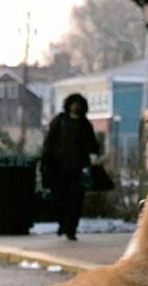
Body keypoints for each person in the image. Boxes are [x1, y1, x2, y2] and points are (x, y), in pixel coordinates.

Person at [40, 93, 100, 241]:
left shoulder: (85, 124)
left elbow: (93, 145)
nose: (75, 106)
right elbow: (49, 142)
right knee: (59, 198)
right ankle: (62, 223)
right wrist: (46, 160)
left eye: (78, 104)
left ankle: (71, 229)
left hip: (78, 170)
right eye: (73, 103)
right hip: (58, 168)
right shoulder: (59, 121)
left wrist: (91, 155)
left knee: (75, 200)